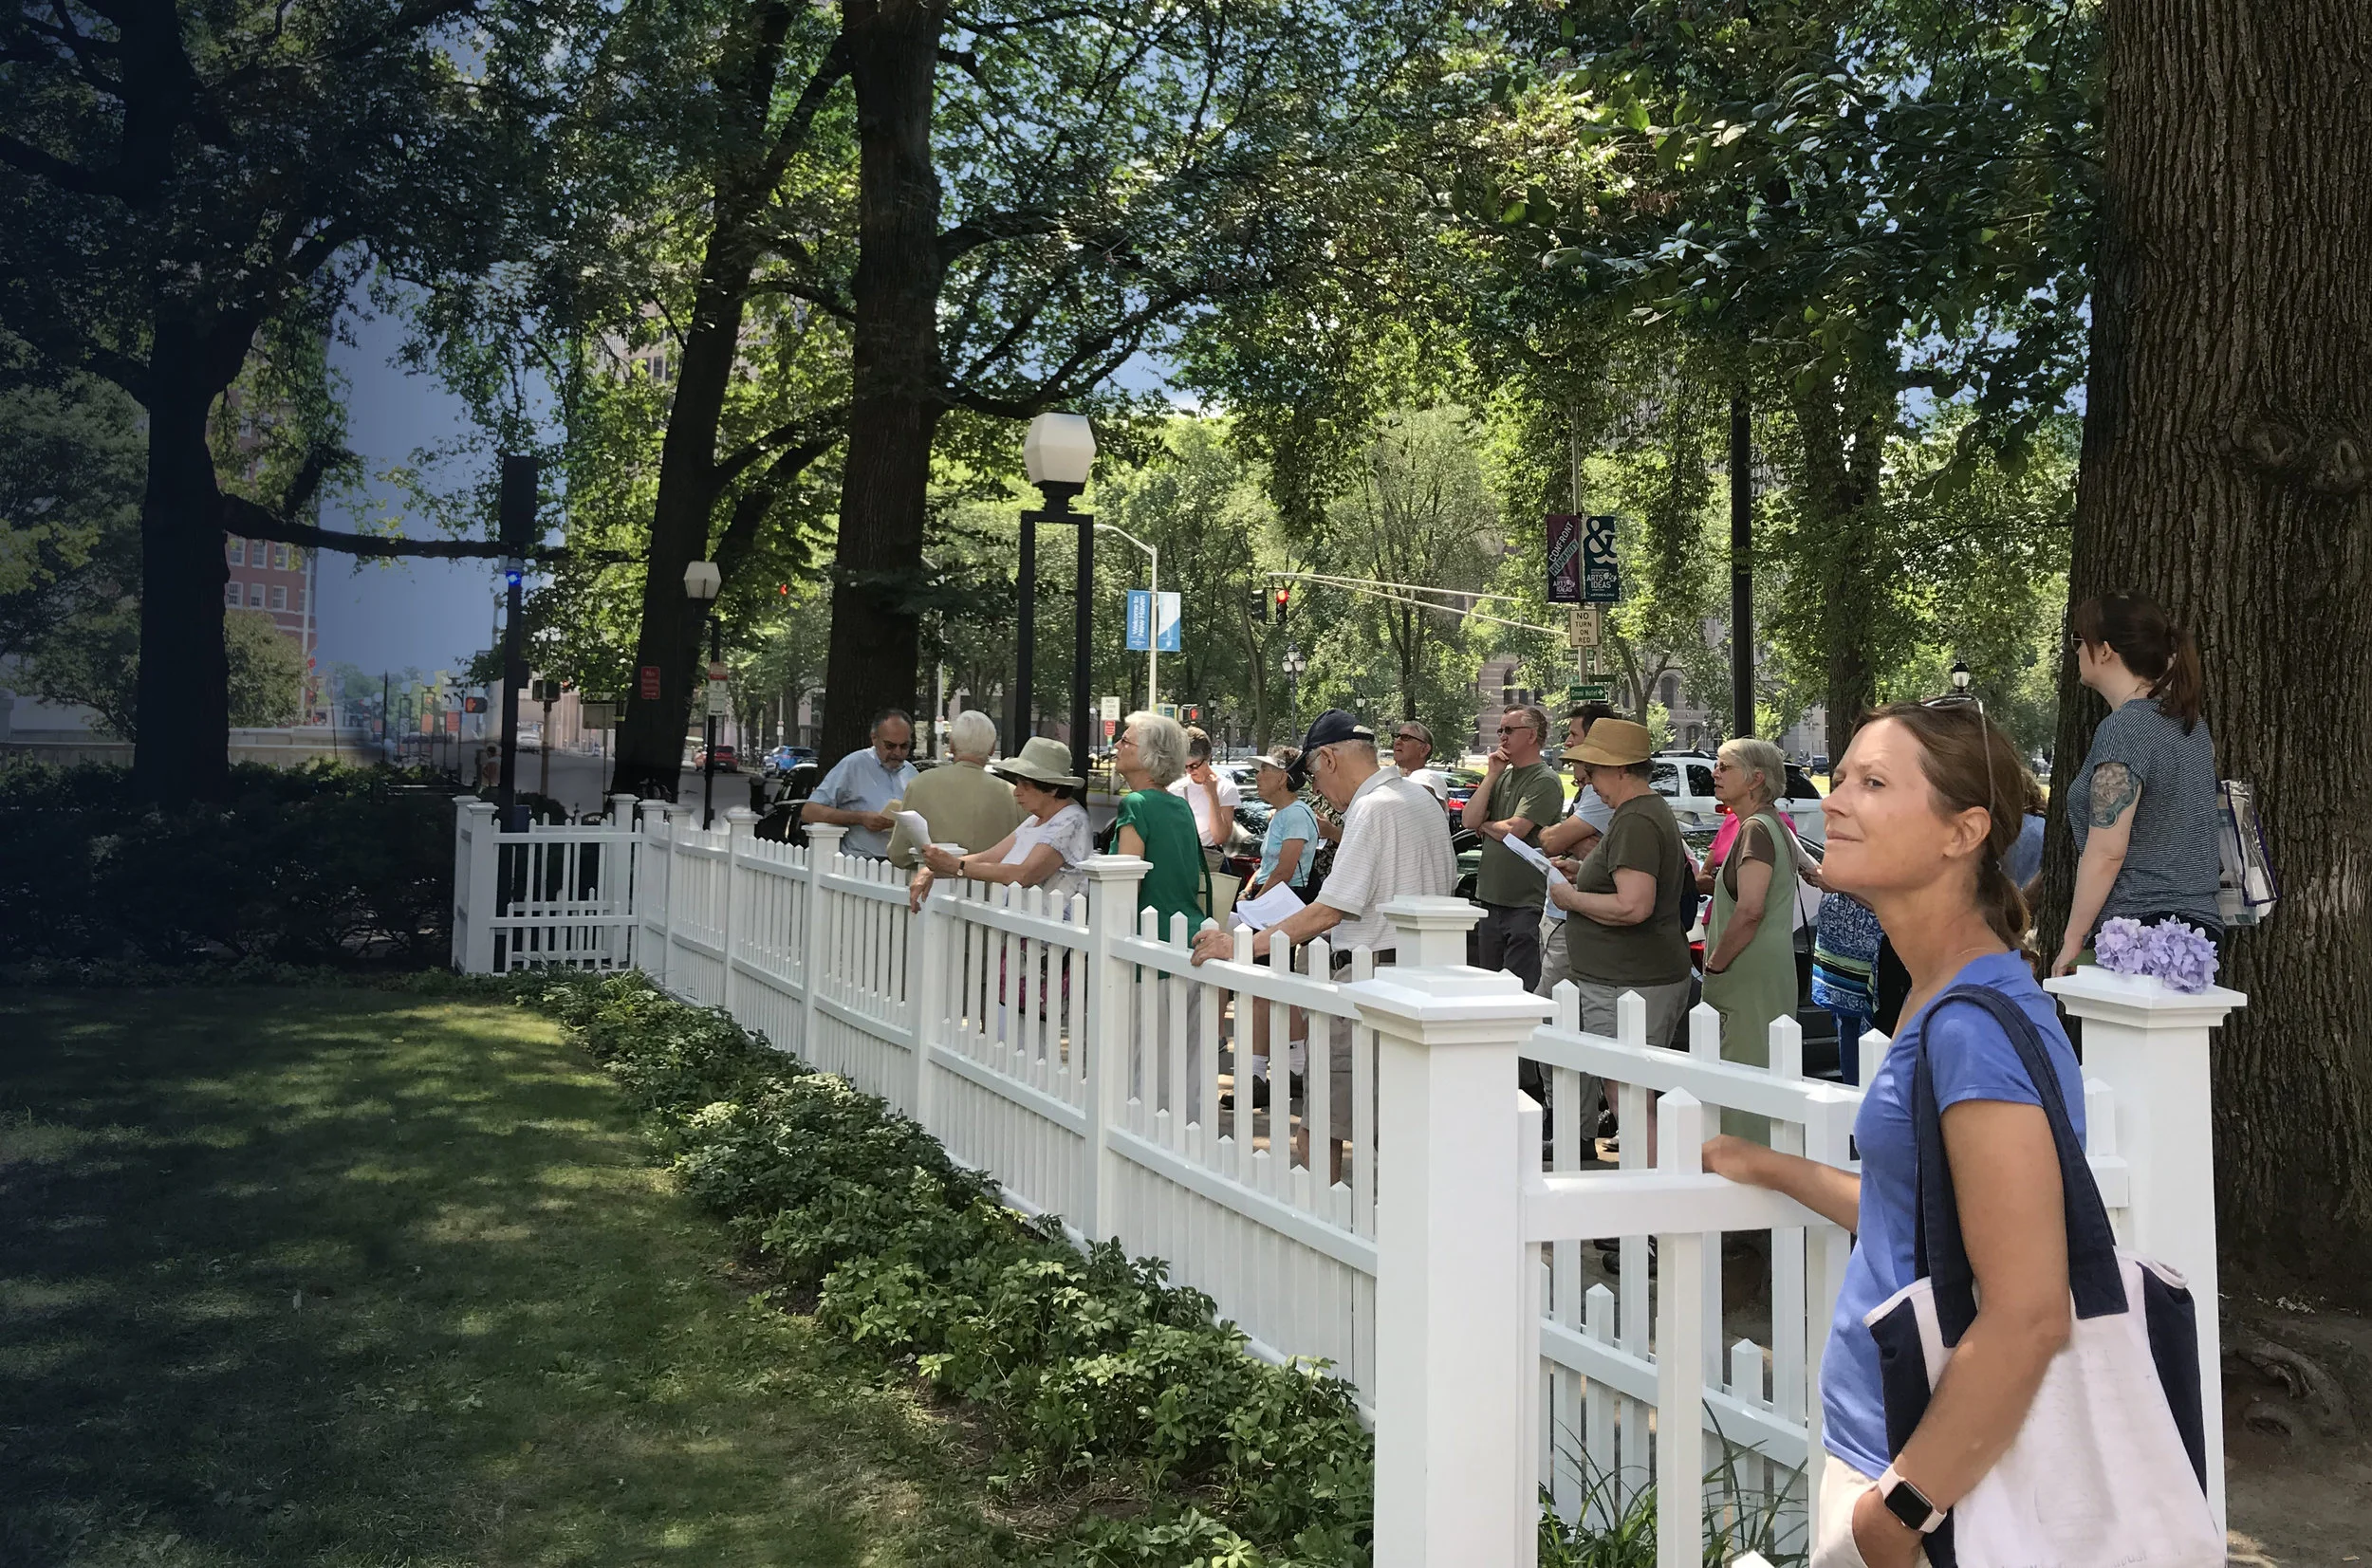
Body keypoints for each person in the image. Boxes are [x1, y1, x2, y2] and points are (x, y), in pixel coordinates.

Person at [1704, 700, 2085, 1568]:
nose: (1835, 800)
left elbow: (2031, 1310)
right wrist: (1768, 1165)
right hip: (1885, 1440)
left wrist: (1898, 1511)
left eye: (1873, 782)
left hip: (1918, 1474)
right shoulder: (1935, 992)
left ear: (1963, 832)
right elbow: (1913, 1214)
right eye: (1840, 777)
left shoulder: (1974, 1028)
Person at [1191, 710, 1455, 1170]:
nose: (1316, 788)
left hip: (1371, 980)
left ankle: (1326, 1212)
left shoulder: (1372, 808)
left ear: (1329, 759)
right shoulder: (1421, 799)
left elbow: (1332, 907)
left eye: (1313, 774)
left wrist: (1240, 945)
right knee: (1401, 1122)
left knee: (1321, 1129)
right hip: (1422, 975)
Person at [2052, 592, 2222, 974]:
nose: (2075, 652)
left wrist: (2073, 938)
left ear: (2105, 650)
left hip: (2139, 934)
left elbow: (2106, 852)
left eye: (2079, 640)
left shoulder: (2124, 729)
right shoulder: (2191, 727)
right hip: (2198, 937)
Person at [1542, 717, 1696, 1127]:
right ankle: (1645, 1162)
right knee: (1629, 1089)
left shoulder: (1635, 819)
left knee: (1625, 1092)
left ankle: (1647, 1166)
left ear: (1621, 769)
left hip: (1628, 981)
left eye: (1593, 771)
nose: (1589, 783)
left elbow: (1634, 906)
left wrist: (1571, 898)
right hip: (1633, 977)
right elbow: (1631, 884)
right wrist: (1583, 873)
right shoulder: (1644, 811)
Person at [1700, 736, 1800, 1140]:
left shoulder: (1756, 829)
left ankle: (1746, 1163)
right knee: (1760, 1071)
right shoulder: (1770, 823)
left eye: (1725, 766)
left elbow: (1750, 910)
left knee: (1744, 1074)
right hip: (1765, 968)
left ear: (1756, 778)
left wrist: (1715, 964)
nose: (1715, 773)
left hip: (1747, 972)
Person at [910, 737, 1093, 910]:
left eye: (1026, 785)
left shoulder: (1071, 820)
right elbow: (989, 857)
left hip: (1047, 928)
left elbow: (1025, 874)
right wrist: (935, 868)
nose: (1017, 792)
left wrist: (955, 866)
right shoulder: (1036, 820)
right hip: (1024, 923)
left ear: (1052, 788)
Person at [1463, 703, 1565, 989]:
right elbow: (1469, 820)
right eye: (1500, 730)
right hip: (1490, 899)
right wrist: (1491, 775)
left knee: (1518, 992)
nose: (1502, 737)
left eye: (1509, 730)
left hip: (1525, 904)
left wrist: (1486, 825)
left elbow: (1514, 830)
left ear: (1531, 735)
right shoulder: (1502, 776)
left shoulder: (1544, 780)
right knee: (1489, 989)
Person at [1535, 703, 1627, 993]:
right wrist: (1573, 841)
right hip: (1565, 916)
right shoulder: (1589, 791)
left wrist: (1563, 838)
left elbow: (1550, 841)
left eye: (1574, 734)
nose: (1567, 742)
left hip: (1575, 918)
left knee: (1550, 1007)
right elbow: (1553, 840)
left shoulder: (1601, 795)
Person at [885, 709, 1024, 869]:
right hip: (993, 882)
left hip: (932, 880)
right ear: (992, 748)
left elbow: (899, 854)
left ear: (951, 745)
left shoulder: (920, 784)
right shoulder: (1014, 795)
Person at [1111, 710, 1205, 937]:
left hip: (1148, 936)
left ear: (1150, 754)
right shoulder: (1181, 806)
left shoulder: (1136, 804)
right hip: (1187, 931)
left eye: (1125, 741)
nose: (1116, 746)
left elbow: (1127, 886)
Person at [800, 709, 917, 858]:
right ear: (874, 738)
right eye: (890, 745)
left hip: (903, 862)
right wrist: (860, 818)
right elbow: (809, 811)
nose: (897, 752)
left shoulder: (911, 772)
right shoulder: (854, 765)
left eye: (904, 746)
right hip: (861, 861)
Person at [1810, 891, 1883, 1086]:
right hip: (1842, 962)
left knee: (1873, 1043)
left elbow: (1889, 899)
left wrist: (1837, 884)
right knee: (1850, 1039)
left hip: (1875, 957)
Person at [1243, 747, 1319, 898]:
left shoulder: (1296, 814)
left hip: (1284, 897)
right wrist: (1247, 891)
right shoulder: (1282, 812)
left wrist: (1257, 902)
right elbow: (1267, 866)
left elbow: (1284, 872)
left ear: (1283, 778)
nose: (1257, 776)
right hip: (1269, 893)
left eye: (1264, 770)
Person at [1167, 726, 1241, 863]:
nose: (1189, 771)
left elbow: (1219, 837)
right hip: (1179, 856)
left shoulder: (1225, 788)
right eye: (1185, 766)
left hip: (1208, 857)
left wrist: (1212, 796)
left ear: (1207, 758)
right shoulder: (1175, 788)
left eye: (1194, 765)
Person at [1382, 719, 1451, 803]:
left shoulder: (1431, 783)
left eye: (1406, 737)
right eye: (1396, 736)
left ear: (1424, 749)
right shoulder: (1384, 779)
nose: (1397, 741)